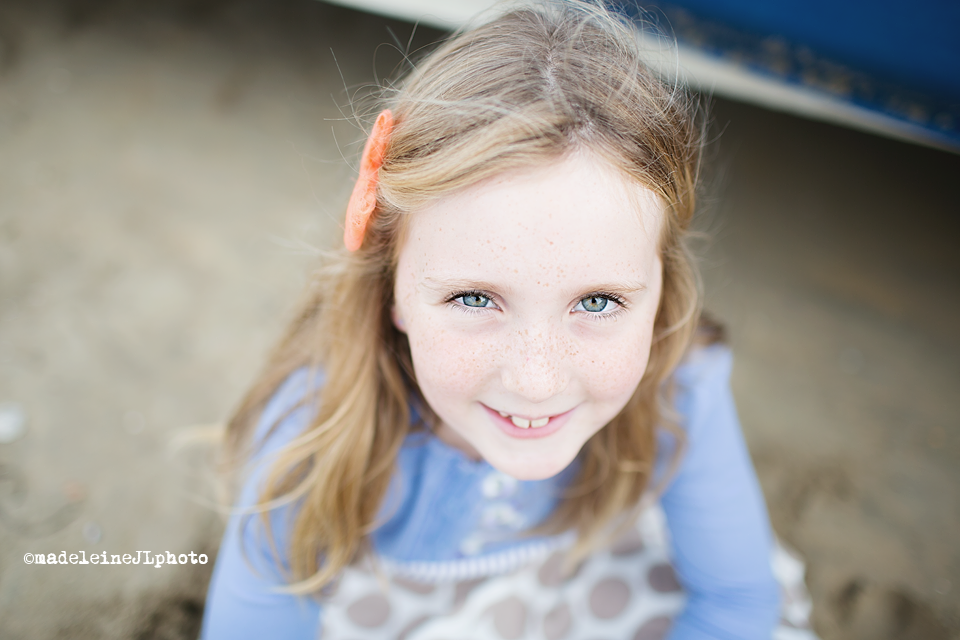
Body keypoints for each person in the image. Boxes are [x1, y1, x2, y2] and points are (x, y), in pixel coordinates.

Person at [201, 2, 817, 638]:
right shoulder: (315, 424)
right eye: (473, 299)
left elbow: (736, 603)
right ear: (391, 287)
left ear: (662, 288)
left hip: (596, 577)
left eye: (598, 302)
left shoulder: (681, 392)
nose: (535, 383)